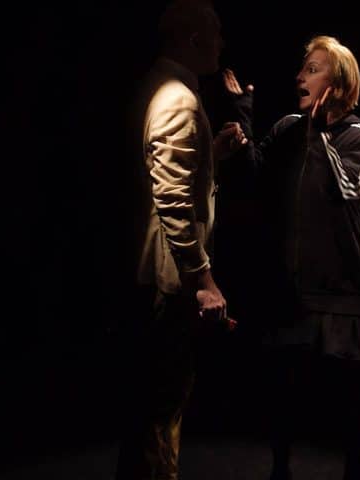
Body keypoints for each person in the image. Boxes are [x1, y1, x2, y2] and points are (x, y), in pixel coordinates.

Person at [222, 35, 360, 480]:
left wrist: (320, 132)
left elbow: (349, 188)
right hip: (291, 288)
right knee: (283, 387)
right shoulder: (289, 126)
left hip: (340, 287)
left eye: (312, 69)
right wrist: (241, 116)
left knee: (347, 393)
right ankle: (280, 471)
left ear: (339, 83)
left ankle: (355, 470)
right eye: (302, 68)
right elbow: (254, 175)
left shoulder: (359, 134)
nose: (299, 77)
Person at [117, 1, 246, 478]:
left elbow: (164, 174)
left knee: (148, 411)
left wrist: (210, 154)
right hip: (168, 280)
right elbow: (171, 202)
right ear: (194, 39)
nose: (221, 44)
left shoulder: (157, 85)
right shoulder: (178, 98)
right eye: (216, 34)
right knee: (161, 413)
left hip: (151, 274)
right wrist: (204, 281)